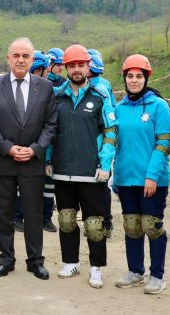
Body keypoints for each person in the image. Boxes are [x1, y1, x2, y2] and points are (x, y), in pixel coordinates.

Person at [0, 37, 57, 280]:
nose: (21, 60)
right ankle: (6, 259)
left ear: (33, 59)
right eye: (16, 55)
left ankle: (35, 260)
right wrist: (8, 148)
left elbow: (50, 124)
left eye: (26, 56)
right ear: (8, 58)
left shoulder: (45, 87)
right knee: (3, 213)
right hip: (3, 161)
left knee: (34, 213)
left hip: (32, 162)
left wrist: (35, 149)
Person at [51, 45, 116, 289]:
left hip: (92, 173)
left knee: (94, 224)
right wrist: (48, 160)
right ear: (65, 68)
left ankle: (96, 268)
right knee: (66, 220)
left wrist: (106, 164)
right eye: (72, 65)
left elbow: (110, 132)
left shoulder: (100, 96)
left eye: (81, 65)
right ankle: (70, 262)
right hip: (62, 171)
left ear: (88, 67)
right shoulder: (57, 97)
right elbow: (51, 131)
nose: (76, 70)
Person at [113, 54, 170, 295]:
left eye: (139, 76)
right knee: (132, 226)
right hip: (126, 178)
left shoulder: (159, 106)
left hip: (152, 180)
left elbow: (163, 143)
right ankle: (135, 270)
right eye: (130, 76)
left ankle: (157, 275)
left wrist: (152, 176)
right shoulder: (119, 108)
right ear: (125, 79)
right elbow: (115, 143)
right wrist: (114, 176)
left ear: (146, 78)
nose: (134, 80)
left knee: (151, 225)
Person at [13, 49, 57, 233]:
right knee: (22, 186)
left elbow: (50, 123)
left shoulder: (48, 89)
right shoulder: (20, 89)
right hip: (26, 148)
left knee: (48, 187)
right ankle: (18, 217)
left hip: (44, 148)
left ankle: (44, 218)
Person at [88, 49, 116, 240]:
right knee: (101, 188)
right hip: (104, 145)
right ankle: (106, 221)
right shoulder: (105, 84)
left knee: (97, 189)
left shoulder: (97, 88)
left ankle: (103, 222)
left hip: (97, 146)